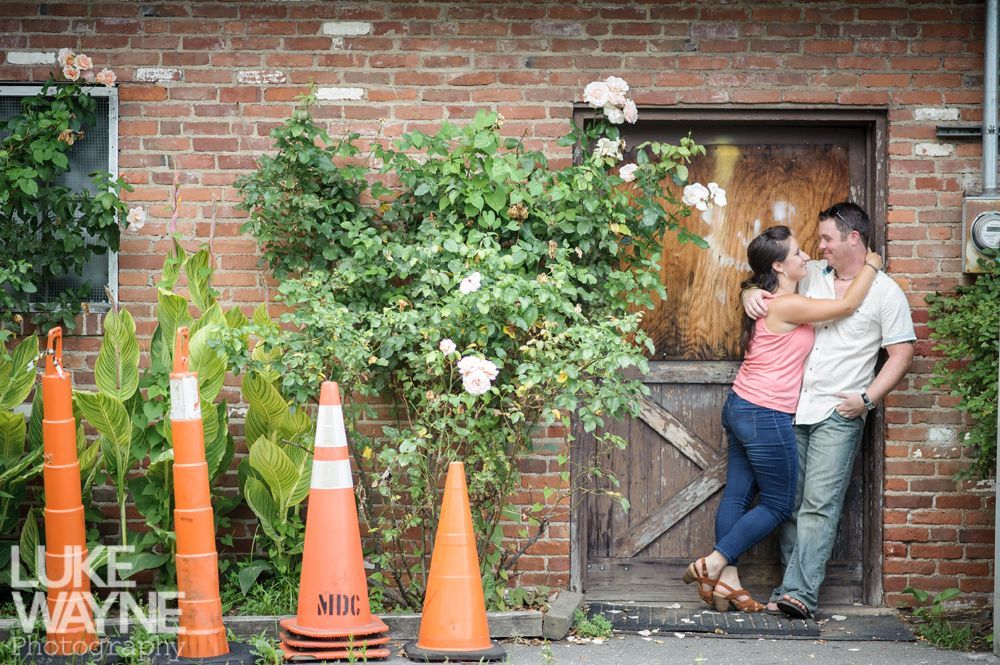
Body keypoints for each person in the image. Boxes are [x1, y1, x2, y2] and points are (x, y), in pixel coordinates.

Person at [683, 225, 883, 612]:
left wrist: (748, 290)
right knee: (777, 503)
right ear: (778, 265)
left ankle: (727, 583)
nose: (806, 256)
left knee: (739, 495)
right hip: (765, 413)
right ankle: (713, 563)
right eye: (797, 254)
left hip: (741, 405)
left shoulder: (775, 299)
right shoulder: (785, 304)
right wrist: (871, 266)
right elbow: (845, 307)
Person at [742, 202, 915, 620]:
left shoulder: (885, 291)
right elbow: (774, 280)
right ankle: (787, 587)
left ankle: (801, 593)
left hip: (841, 411)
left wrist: (868, 399)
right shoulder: (814, 276)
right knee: (790, 502)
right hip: (795, 406)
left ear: (852, 238)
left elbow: (902, 352)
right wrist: (751, 290)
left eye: (827, 240)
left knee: (820, 504)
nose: (820, 247)